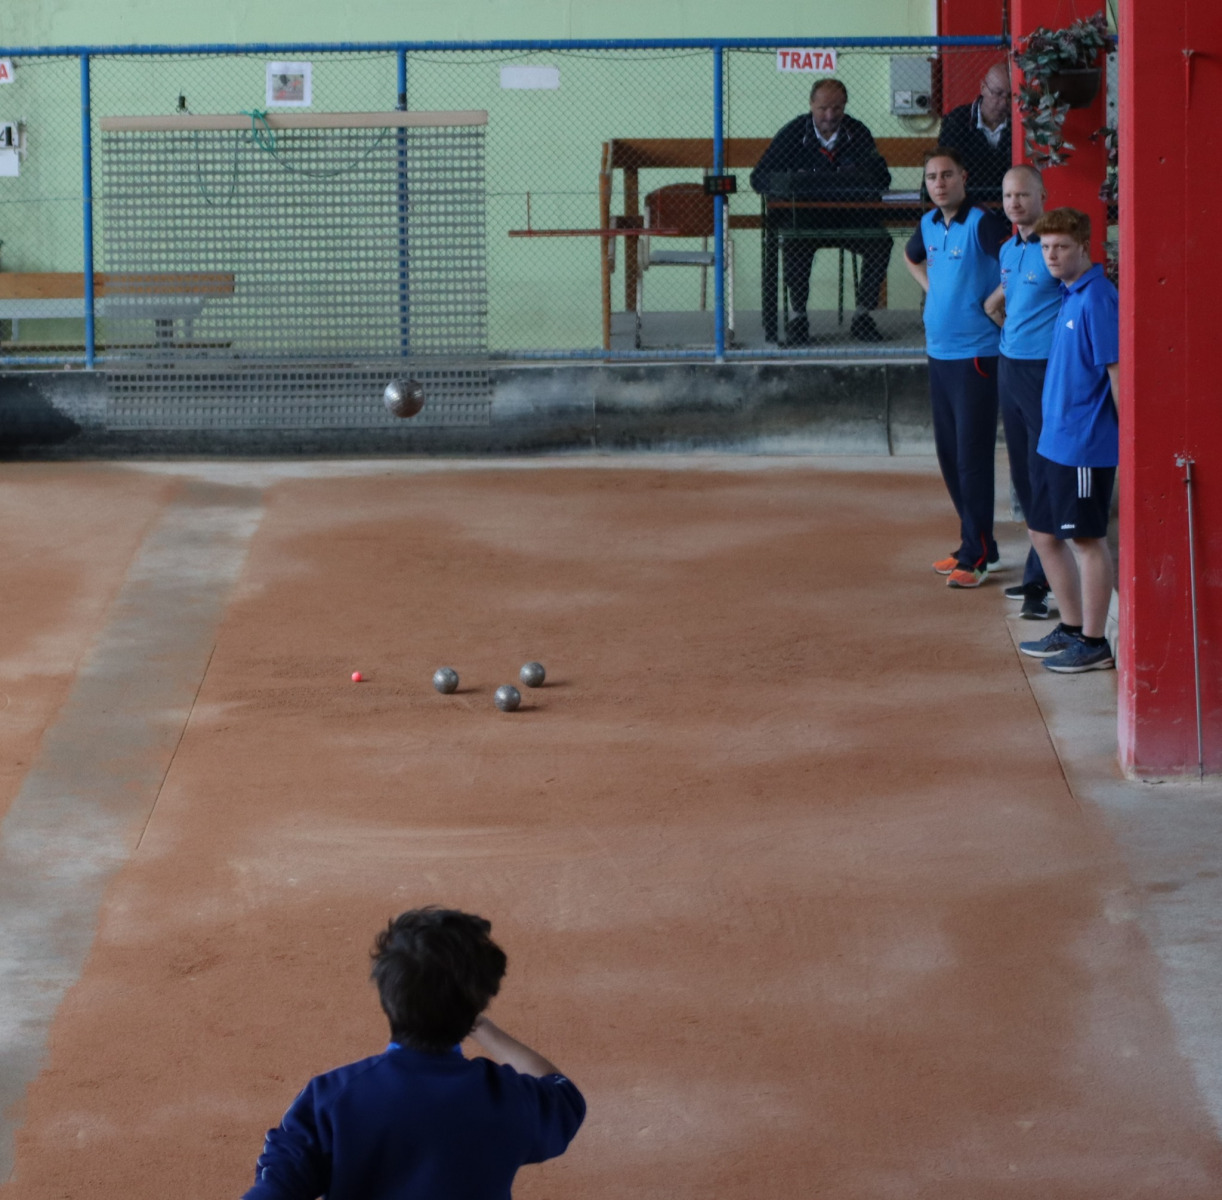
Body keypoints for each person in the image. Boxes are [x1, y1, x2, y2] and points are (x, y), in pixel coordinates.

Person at [242, 907, 585, 1200]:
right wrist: (481, 1026)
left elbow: (276, 1187)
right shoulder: (507, 1097)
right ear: (479, 1004)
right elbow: (562, 1094)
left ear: (386, 996)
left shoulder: (332, 1097)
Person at [1017, 208, 1120, 673]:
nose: (1051, 255)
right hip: (1054, 441)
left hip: (1084, 444)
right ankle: (1073, 627)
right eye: (1045, 247)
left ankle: (1095, 643)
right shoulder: (1069, 293)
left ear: (1083, 247)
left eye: (1060, 247)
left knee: (1086, 540)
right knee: (1042, 534)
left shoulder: (1098, 298)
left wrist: (1128, 443)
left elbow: (1116, 374)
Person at [903, 147, 1012, 588]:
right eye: (932, 177)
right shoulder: (929, 223)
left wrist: (992, 303)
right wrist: (933, 289)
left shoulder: (982, 222)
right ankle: (978, 543)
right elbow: (911, 257)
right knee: (950, 456)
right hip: (940, 354)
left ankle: (977, 556)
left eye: (947, 175)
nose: (939, 183)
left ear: (963, 177)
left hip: (976, 357)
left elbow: (1015, 261)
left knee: (972, 457)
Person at [751, 77, 892, 344]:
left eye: (837, 108)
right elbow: (759, 177)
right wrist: (793, 184)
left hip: (851, 218)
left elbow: (882, 177)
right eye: (823, 108)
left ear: (845, 106)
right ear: (811, 105)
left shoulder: (858, 132)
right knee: (794, 243)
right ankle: (798, 318)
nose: (830, 115)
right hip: (805, 219)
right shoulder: (793, 133)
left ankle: (863, 316)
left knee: (880, 242)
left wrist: (843, 180)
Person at [984, 164, 1062, 620]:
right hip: (1009, 366)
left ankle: (1041, 579)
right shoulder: (1009, 249)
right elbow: (1003, 302)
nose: (1014, 203)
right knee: (1022, 474)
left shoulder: (1053, 248)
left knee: (1042, 469)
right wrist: (1006, 325)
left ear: (1042, 197)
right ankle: (1039, 568)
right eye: (1008, 196)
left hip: (1043, 371)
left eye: (1023, 195)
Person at [938, 63, 1012, 204]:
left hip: (1008, 201)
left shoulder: (1018, 123)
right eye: (997, 93)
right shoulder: (957, 120)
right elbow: (947, 166)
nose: (1003, 102)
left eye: (1009, 96)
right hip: (965, 202)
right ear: (983, 88)